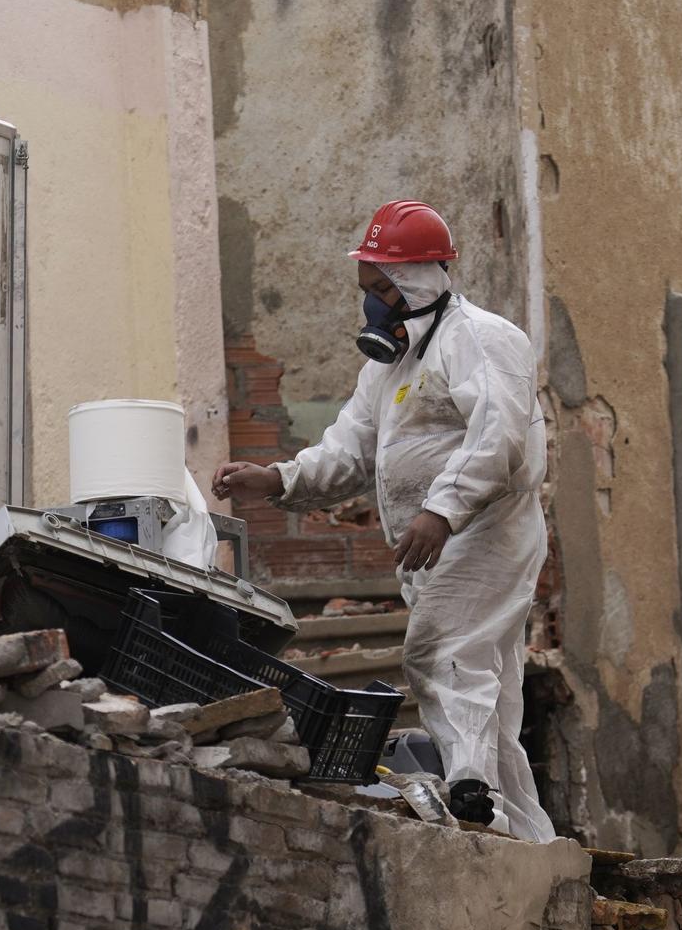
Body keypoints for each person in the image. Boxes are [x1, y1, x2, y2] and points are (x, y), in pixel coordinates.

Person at [213, 200, 556, 842]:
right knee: (488, 684)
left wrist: (441, 511)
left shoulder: (482, 339)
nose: (373, 303)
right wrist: (279, 480)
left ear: (422, 278)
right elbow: (348, 452)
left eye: (383, 287)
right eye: (367, 288)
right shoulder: (387, 367)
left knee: (439, 651)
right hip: (439, 544)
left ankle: (467, 789)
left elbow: (500, 438)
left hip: (487, 532)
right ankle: (525, 833)